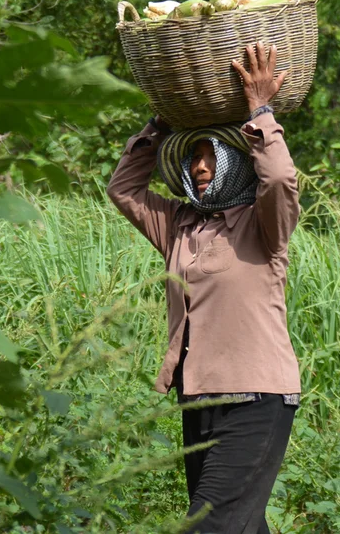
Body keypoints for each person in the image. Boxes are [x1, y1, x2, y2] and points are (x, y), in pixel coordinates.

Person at [107, 42, 301, 533]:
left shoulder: (262, 224)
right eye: (192, 158)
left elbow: (279, 176)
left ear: (236, 161)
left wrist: (260, 110)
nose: (198, 167)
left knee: (209, 527)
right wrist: (159, 125)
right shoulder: (179, 225)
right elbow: (123, 191)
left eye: (209, 156)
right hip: (198, 401)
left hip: (255, 400)